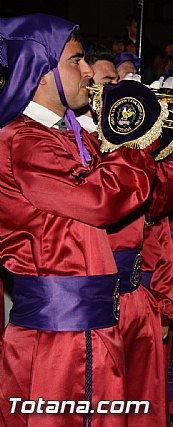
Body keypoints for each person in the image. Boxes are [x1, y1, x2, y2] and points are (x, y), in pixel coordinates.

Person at [0, 14, 159, 426]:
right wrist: (135, 141)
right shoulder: (24, 141)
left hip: (85, 321)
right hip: (60, 333)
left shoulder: (66, 133)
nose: (88, 71)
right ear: (41, 73)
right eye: (75, 62)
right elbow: (103, 198)